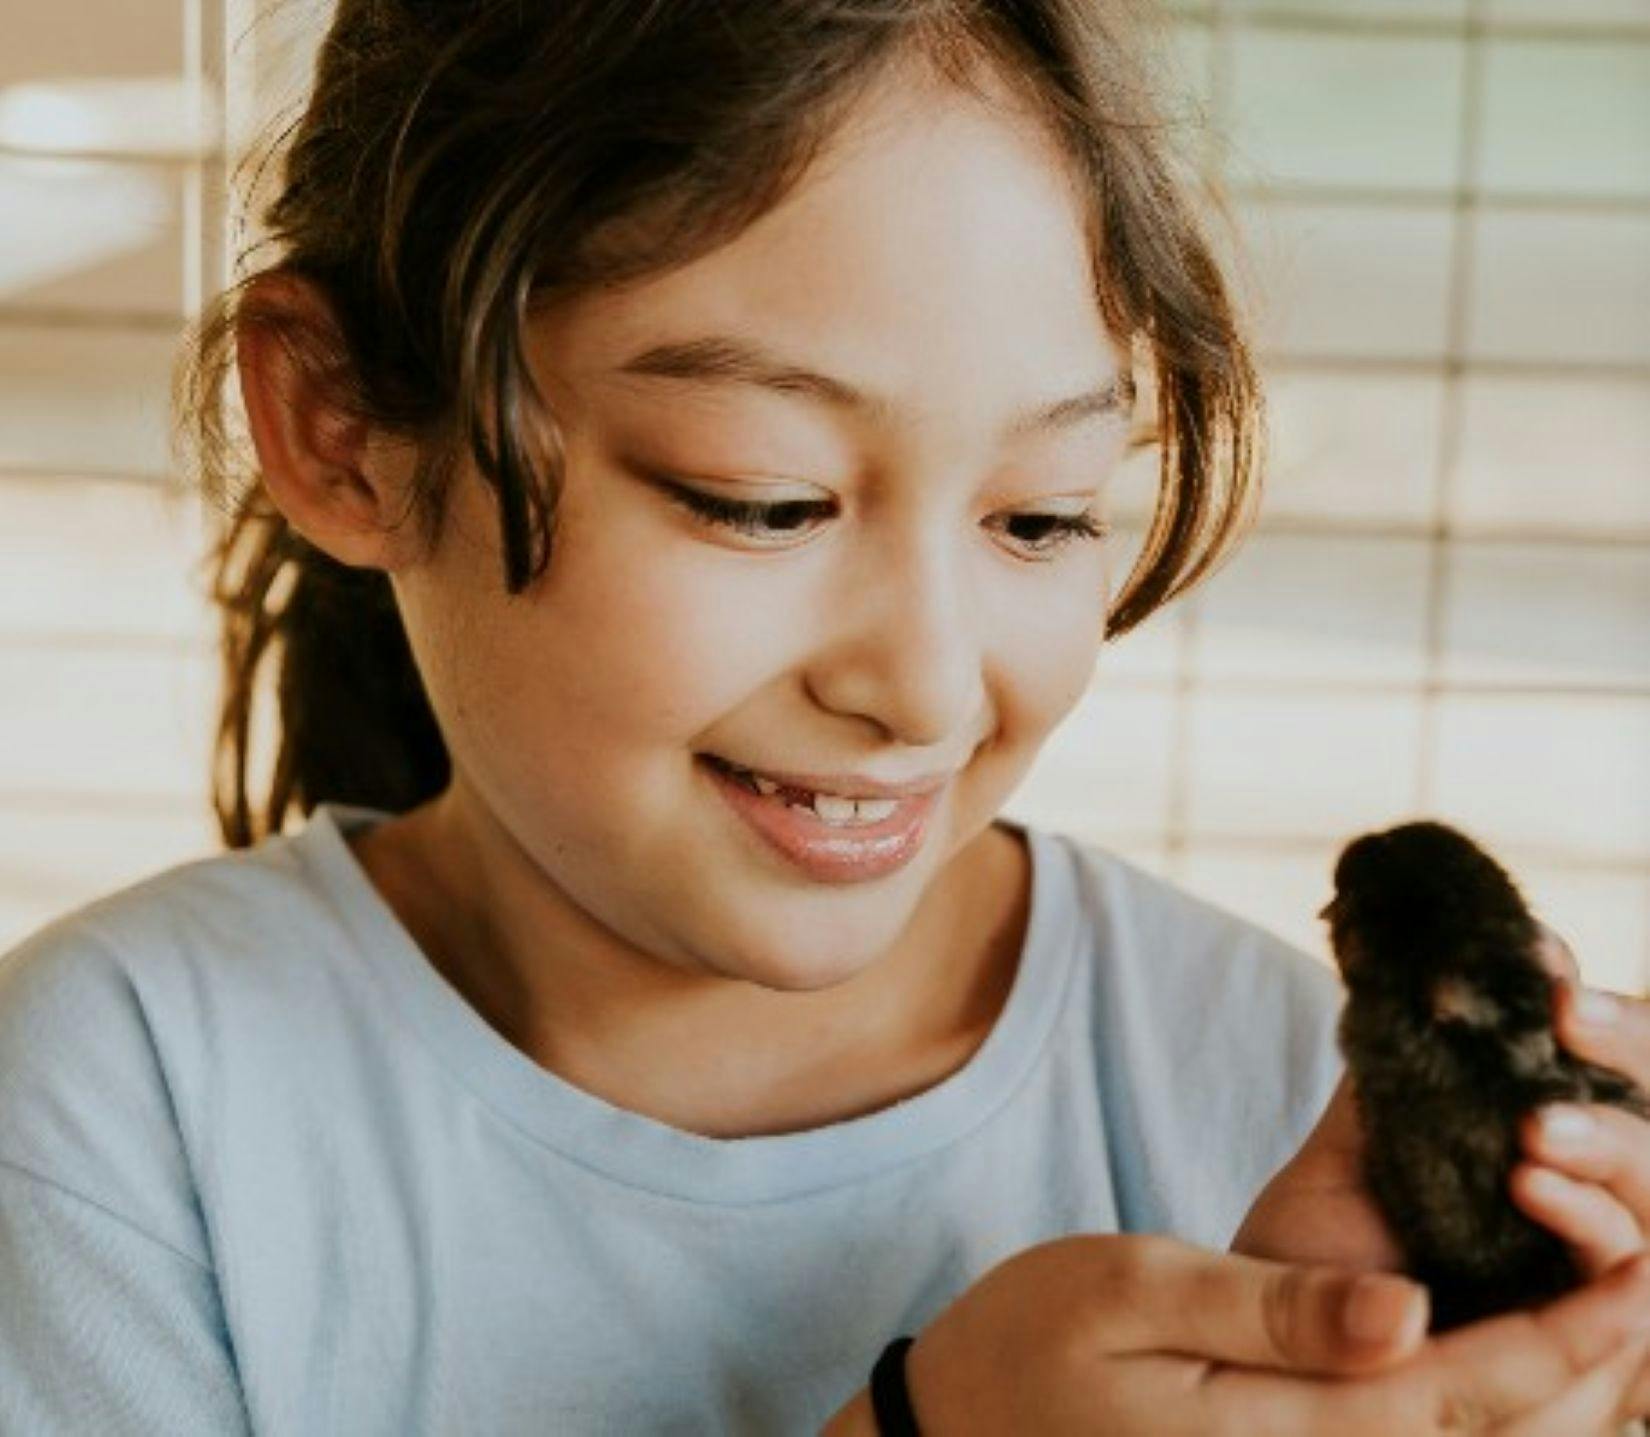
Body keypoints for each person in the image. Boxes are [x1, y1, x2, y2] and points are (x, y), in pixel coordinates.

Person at [3, 1, 1649, 1432]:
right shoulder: (112, 1113)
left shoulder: (1279, 1097)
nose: (925, 684)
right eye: (764, 502)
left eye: (1042, 517)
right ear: (343, 428)